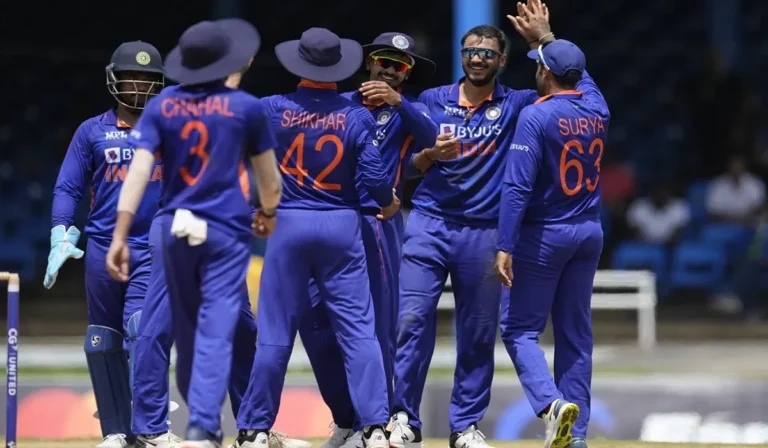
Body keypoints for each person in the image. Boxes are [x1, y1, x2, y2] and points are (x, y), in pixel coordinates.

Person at [388, 3, 559, 447]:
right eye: (470, 52)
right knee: (410, 320)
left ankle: (464, 426)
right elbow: (401, 167)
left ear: (502, 60)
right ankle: (403, 419)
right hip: (429, 223)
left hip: (484, 233)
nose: (477, 59)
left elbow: (566, 82)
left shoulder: (518, 103)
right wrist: (429, 156)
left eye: (487, 53)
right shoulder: (431, 101)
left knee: (478, 333)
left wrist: (544, 39)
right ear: (461, 56)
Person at [105, 18, 282, 448]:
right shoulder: (246, 108)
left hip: (172, 227)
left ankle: (161, 428)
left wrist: (120, 234)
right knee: (221, 327)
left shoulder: (162, 105)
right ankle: (201, 426)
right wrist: (268, 212)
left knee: (163, 328)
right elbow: (269, 179)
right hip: (224, 231)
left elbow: (138, 173)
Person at [232, 27, 397, 448]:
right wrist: (389, 201)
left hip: (287, 224)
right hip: (341, 226)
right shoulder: (356, 114)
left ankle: (253, 430)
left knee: (275, 335)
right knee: (359, 332)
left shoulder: (271, 109)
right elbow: (376, 179)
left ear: (298, 63)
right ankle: (375, 428)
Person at [130, 64, 307, 448]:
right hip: (180, 223)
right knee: (158, 327)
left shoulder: (234, 105)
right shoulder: (177, 104)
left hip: (222, 229)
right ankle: (150, 428)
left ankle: (251, 428)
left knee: (242, 329)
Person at [297, 32, 442, 448]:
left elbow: (432, 140)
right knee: (314, 324)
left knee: (377, 327)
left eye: (400, 66)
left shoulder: (410, 110)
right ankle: (347, 419)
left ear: (407, 74)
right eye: (383, 61)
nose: (389, 70)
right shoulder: (341, 104)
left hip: (377, 221)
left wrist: (399, 103)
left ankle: (380, 422)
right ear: (368, 63)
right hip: (328, 220)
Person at [494, 4, 610, 448]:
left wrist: (505, 244)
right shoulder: (597, 109)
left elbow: (517, 187)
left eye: (538, 66)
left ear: (545, 72)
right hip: (588, 231)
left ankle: (551, 405)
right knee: (575, 335)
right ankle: (575, 437)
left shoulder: (536, 115)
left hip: (545, 234)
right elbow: (583, 78)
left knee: (519, 329)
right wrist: (547, 38)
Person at [47, 40, 164, 448]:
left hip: (150, 246)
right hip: (101, 246)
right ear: (115, 80)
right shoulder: (92, 131)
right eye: (132, 76)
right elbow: (68, 186)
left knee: (142, 330)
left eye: (147, 78)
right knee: (102, 339)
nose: (139, 85)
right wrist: (60, 232)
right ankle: (116, 431)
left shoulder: (169, 131)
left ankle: (151, 424)